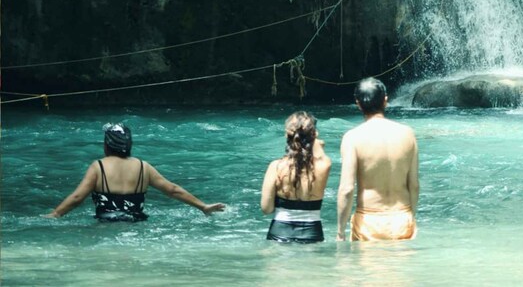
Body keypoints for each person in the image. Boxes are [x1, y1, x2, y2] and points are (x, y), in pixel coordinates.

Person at [46, 123, 225, 221]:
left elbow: (77, 198)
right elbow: (172, 189)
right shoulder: (143, 166)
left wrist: (56, 214)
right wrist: (203, 206)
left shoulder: (98, 166)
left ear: (106, 145)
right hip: (137, 223)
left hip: (105, 224)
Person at [336, 77, 419, 241]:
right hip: (402, 218)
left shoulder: (353, 138)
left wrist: (340, 231)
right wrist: (411, 216)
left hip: (368, 222)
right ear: (386, 101)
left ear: (358, 103)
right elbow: (414, 185)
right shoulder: (407, 134)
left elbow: (346, 189)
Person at [261, 111, 331, 243]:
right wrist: (314, 138)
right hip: (312, 233)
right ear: (314, 135)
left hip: (279, 232)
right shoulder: (324, 165)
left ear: (288, 135)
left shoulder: (275, 167)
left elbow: (266, 209)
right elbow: (320, 153)